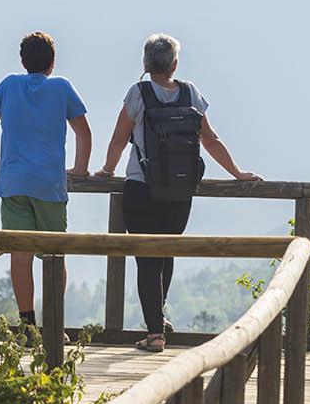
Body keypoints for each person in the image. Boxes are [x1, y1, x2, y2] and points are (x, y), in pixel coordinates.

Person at [95, 33, 260, 351]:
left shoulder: (138, 93)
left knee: (147, 259)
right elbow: (210, 140)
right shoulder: (190, 93)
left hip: (141, 188)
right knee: (166, 251)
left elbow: (119, 139)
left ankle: (155, 333)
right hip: (181, 189)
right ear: (174, 64)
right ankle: (159, 318)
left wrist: (106, 170)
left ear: (145, 63)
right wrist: (238, 174)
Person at [0, 31, 91, 326]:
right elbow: (84, 132)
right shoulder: (62, 88)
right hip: (49, 185)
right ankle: (54, 323)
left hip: (13, 182)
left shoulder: (9, 85)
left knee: (20, 255)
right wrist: (80, 170)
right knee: (55, 255)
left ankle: (27, 324)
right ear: (52, 62)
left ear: (22, 60)